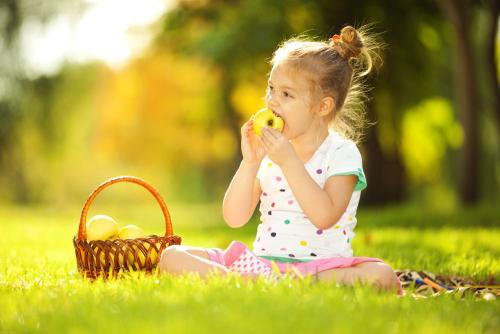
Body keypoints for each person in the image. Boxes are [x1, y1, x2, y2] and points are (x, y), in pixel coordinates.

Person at [159, 25, 402, 294]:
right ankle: (255, 281)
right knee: (172, 256)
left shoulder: (341, 154)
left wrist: (289, 162)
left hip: (321, 269)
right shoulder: (269, 154)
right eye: (271, 88)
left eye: (286, 94)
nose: (272, 101)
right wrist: (249, 162)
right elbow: (234, 218)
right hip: (262, 264)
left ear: (323, 106)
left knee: (382, 276)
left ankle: (266, 284)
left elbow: (325, 216)